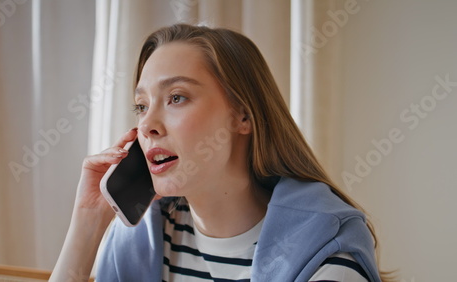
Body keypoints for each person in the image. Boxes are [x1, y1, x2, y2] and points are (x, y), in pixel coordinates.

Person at [50, 24, 387, 282]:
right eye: (140, 105)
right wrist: (87, 222)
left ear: (242, 115)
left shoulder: (326, 252)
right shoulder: (136, 238)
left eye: (176, 97)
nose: (147, 125)